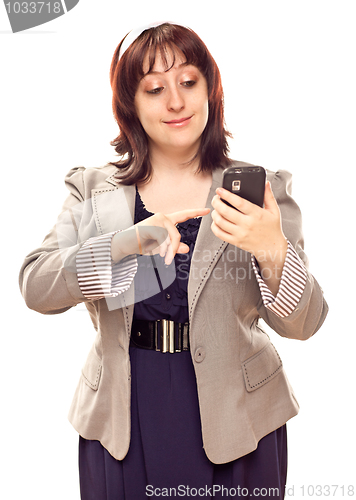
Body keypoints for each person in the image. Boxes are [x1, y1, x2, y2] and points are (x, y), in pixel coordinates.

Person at [19, 22, 328, 500]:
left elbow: (305, 324)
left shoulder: (260, 188)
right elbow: (36, 287)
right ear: (131, 105)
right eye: (154, 89)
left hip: (239, 418)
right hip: (125, 413)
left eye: (188, 82)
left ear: (211, 89)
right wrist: (123, 243)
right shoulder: (94, 191)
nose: (175, 102)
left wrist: (273, 249)